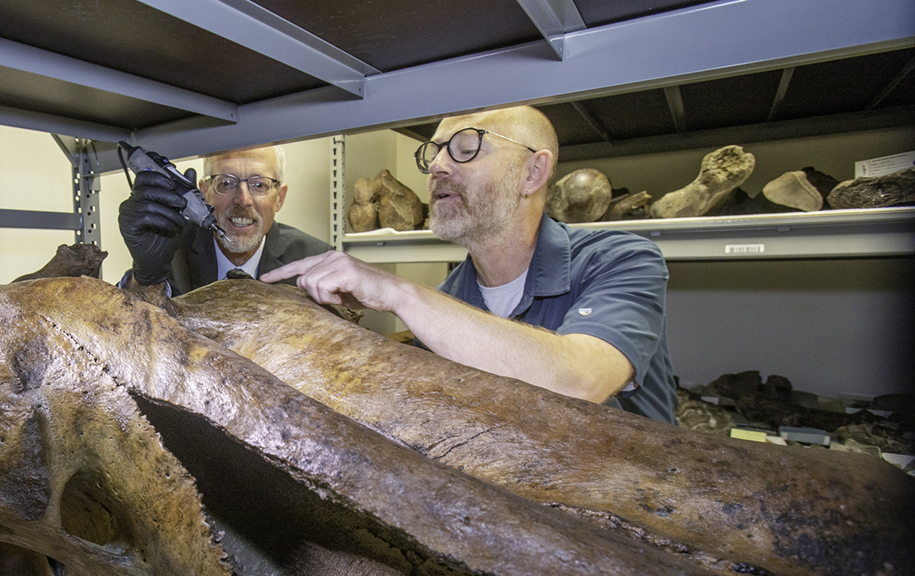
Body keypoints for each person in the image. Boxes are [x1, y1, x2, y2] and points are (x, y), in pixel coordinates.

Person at [262, 106, 677, 423]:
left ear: (533, 173)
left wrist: (402, 293)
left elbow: (580, 380)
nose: (438, 167)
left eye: (466, 148)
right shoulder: (446, 307)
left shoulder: (622, 259)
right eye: (435, 153)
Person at [117, 145, 332, 295]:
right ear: (204, 193)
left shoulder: (315, 260)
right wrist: (146, 277)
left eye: (259, 185)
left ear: (280, 198)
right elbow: (132, 332)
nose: (243, 200)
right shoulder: (170, 252)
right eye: (226, 183)